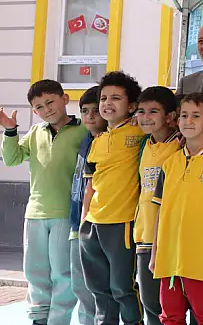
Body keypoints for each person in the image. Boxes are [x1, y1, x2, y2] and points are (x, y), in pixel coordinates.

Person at [1, 79, 87, 325]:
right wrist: (10, 131)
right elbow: (12, 159)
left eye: (50, 102)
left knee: (62, 274)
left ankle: (58, 321)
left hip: (65, 213)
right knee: (35, 272)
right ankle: (38, 318)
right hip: (35, 212)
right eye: (39, 107)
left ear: (65, 99)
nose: (46, 109)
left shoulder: (83, 130)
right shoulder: (35, 132)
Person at [150, 93, 203, 325]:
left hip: (201, 259)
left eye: (196, 116)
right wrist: (155, 251)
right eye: (184, 115)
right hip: (169, 258)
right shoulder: (169, 164)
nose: (188, 121)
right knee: (170, 316)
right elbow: (159, 212)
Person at [81, 71, 146, 325]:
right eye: (104, 98)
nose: (107, 103)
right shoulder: (97, 141)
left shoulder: (140, 130)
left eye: (116, 98)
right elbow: (91, 184)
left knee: (122, 288)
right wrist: (85, 220)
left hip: (122, 222)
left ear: (131, 106)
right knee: (98, 289)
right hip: (93, 224)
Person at [135, 86, 181, 325]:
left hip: (172, 238)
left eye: (153, 111)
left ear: (170, 116)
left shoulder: (181, 145)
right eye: (141, 111)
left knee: (173, 307)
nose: (146, 117)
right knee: (150, 303)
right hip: (144, 235)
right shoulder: (144, 144)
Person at [70, 86, 106, 325]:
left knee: (100, 287)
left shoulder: (111, 141)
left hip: (101, 222)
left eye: (96, 110)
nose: (90, 116)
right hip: (78, 221)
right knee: (80, 285)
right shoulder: (85, 140)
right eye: (85, 111)